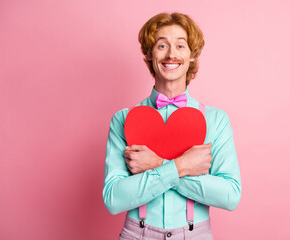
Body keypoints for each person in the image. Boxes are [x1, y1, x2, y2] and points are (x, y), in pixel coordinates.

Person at [103, 12, 241, 239]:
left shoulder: (216, 120)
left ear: (192, 55)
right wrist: (181, 166)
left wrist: (156, 164)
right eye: (161, 46)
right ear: (149, 54)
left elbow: (230, 195)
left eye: (180, 45)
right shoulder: (123, 119)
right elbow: (113, 199)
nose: (171, 54)